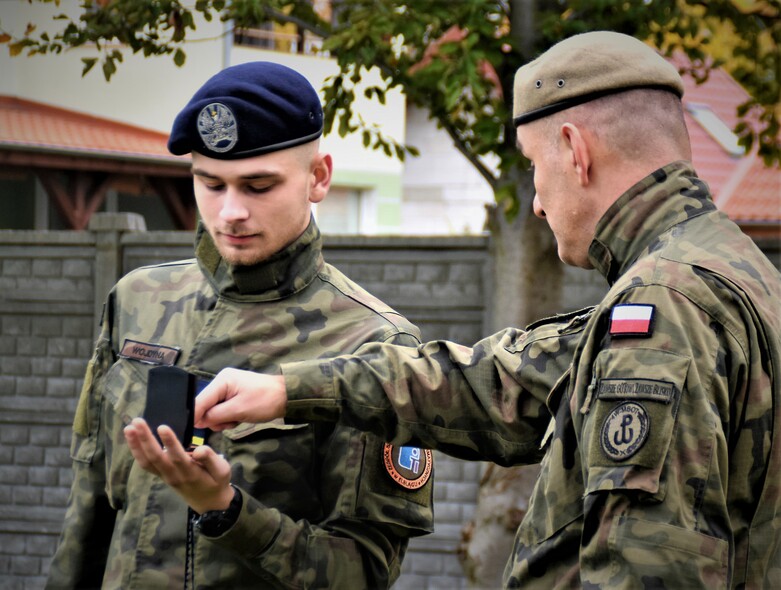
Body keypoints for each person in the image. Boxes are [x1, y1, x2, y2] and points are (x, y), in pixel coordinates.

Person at [191, 31, 781, 588]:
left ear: (575, 150)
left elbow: (648, 570)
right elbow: (496, 384)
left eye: (532, 165)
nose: (538, 203)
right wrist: (290, 389)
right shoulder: (730, 271)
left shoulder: (663, 307)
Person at [46, 61, 436, 590]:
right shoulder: (138, 300)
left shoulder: (375, 345)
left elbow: (364, 570)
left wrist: (229, 512)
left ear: (318, 177)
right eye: (211, 184)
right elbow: (89, 506)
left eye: (257, 186)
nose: (230, 212)